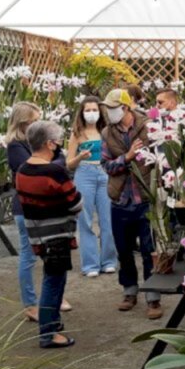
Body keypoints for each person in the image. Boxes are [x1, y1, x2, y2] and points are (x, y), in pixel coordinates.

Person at [15, 121, 82, 349]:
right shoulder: (54, 171)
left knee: (51, 278)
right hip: (57, 234)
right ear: (49, 143)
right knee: (53, 282)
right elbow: (75, 203)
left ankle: (52, 321)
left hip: (37, 235)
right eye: (57, 140)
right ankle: (48, 332)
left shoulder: (22, 170)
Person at [7, 103, 74, 320]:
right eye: (34, 119)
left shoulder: (33, 144)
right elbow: (34, 168)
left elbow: (56, 162)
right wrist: (56, 162)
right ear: (23, 123)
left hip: (47, 207)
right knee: (29, 255)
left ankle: (52, 297)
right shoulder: (15, 146)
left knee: (51, 255)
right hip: (27, 208)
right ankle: (30, 304)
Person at [100, 89, 163, 320]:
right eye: (107, 107)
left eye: (113, 107)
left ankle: (153, 297)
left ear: (126, 108)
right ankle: (129, 292)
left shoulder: (148, 126)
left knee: (150, 250)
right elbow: (106, 166)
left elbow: (161, 159)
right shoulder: (107, 133)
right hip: (120, 199)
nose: (109, 111)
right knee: (124, 250)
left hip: (145, 198)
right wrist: (125, 158)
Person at [66, 96, 118, 277]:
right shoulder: (77, 133)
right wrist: (81, 157)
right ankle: (90, 265)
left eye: (94, 110)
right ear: (82, 113)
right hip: (84, 173)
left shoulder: (106, 131)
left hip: (104, 172)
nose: (91, 113)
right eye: (87, 110)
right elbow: (69, 163)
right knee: (85, 219)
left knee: (108, 218)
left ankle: (109, 260)